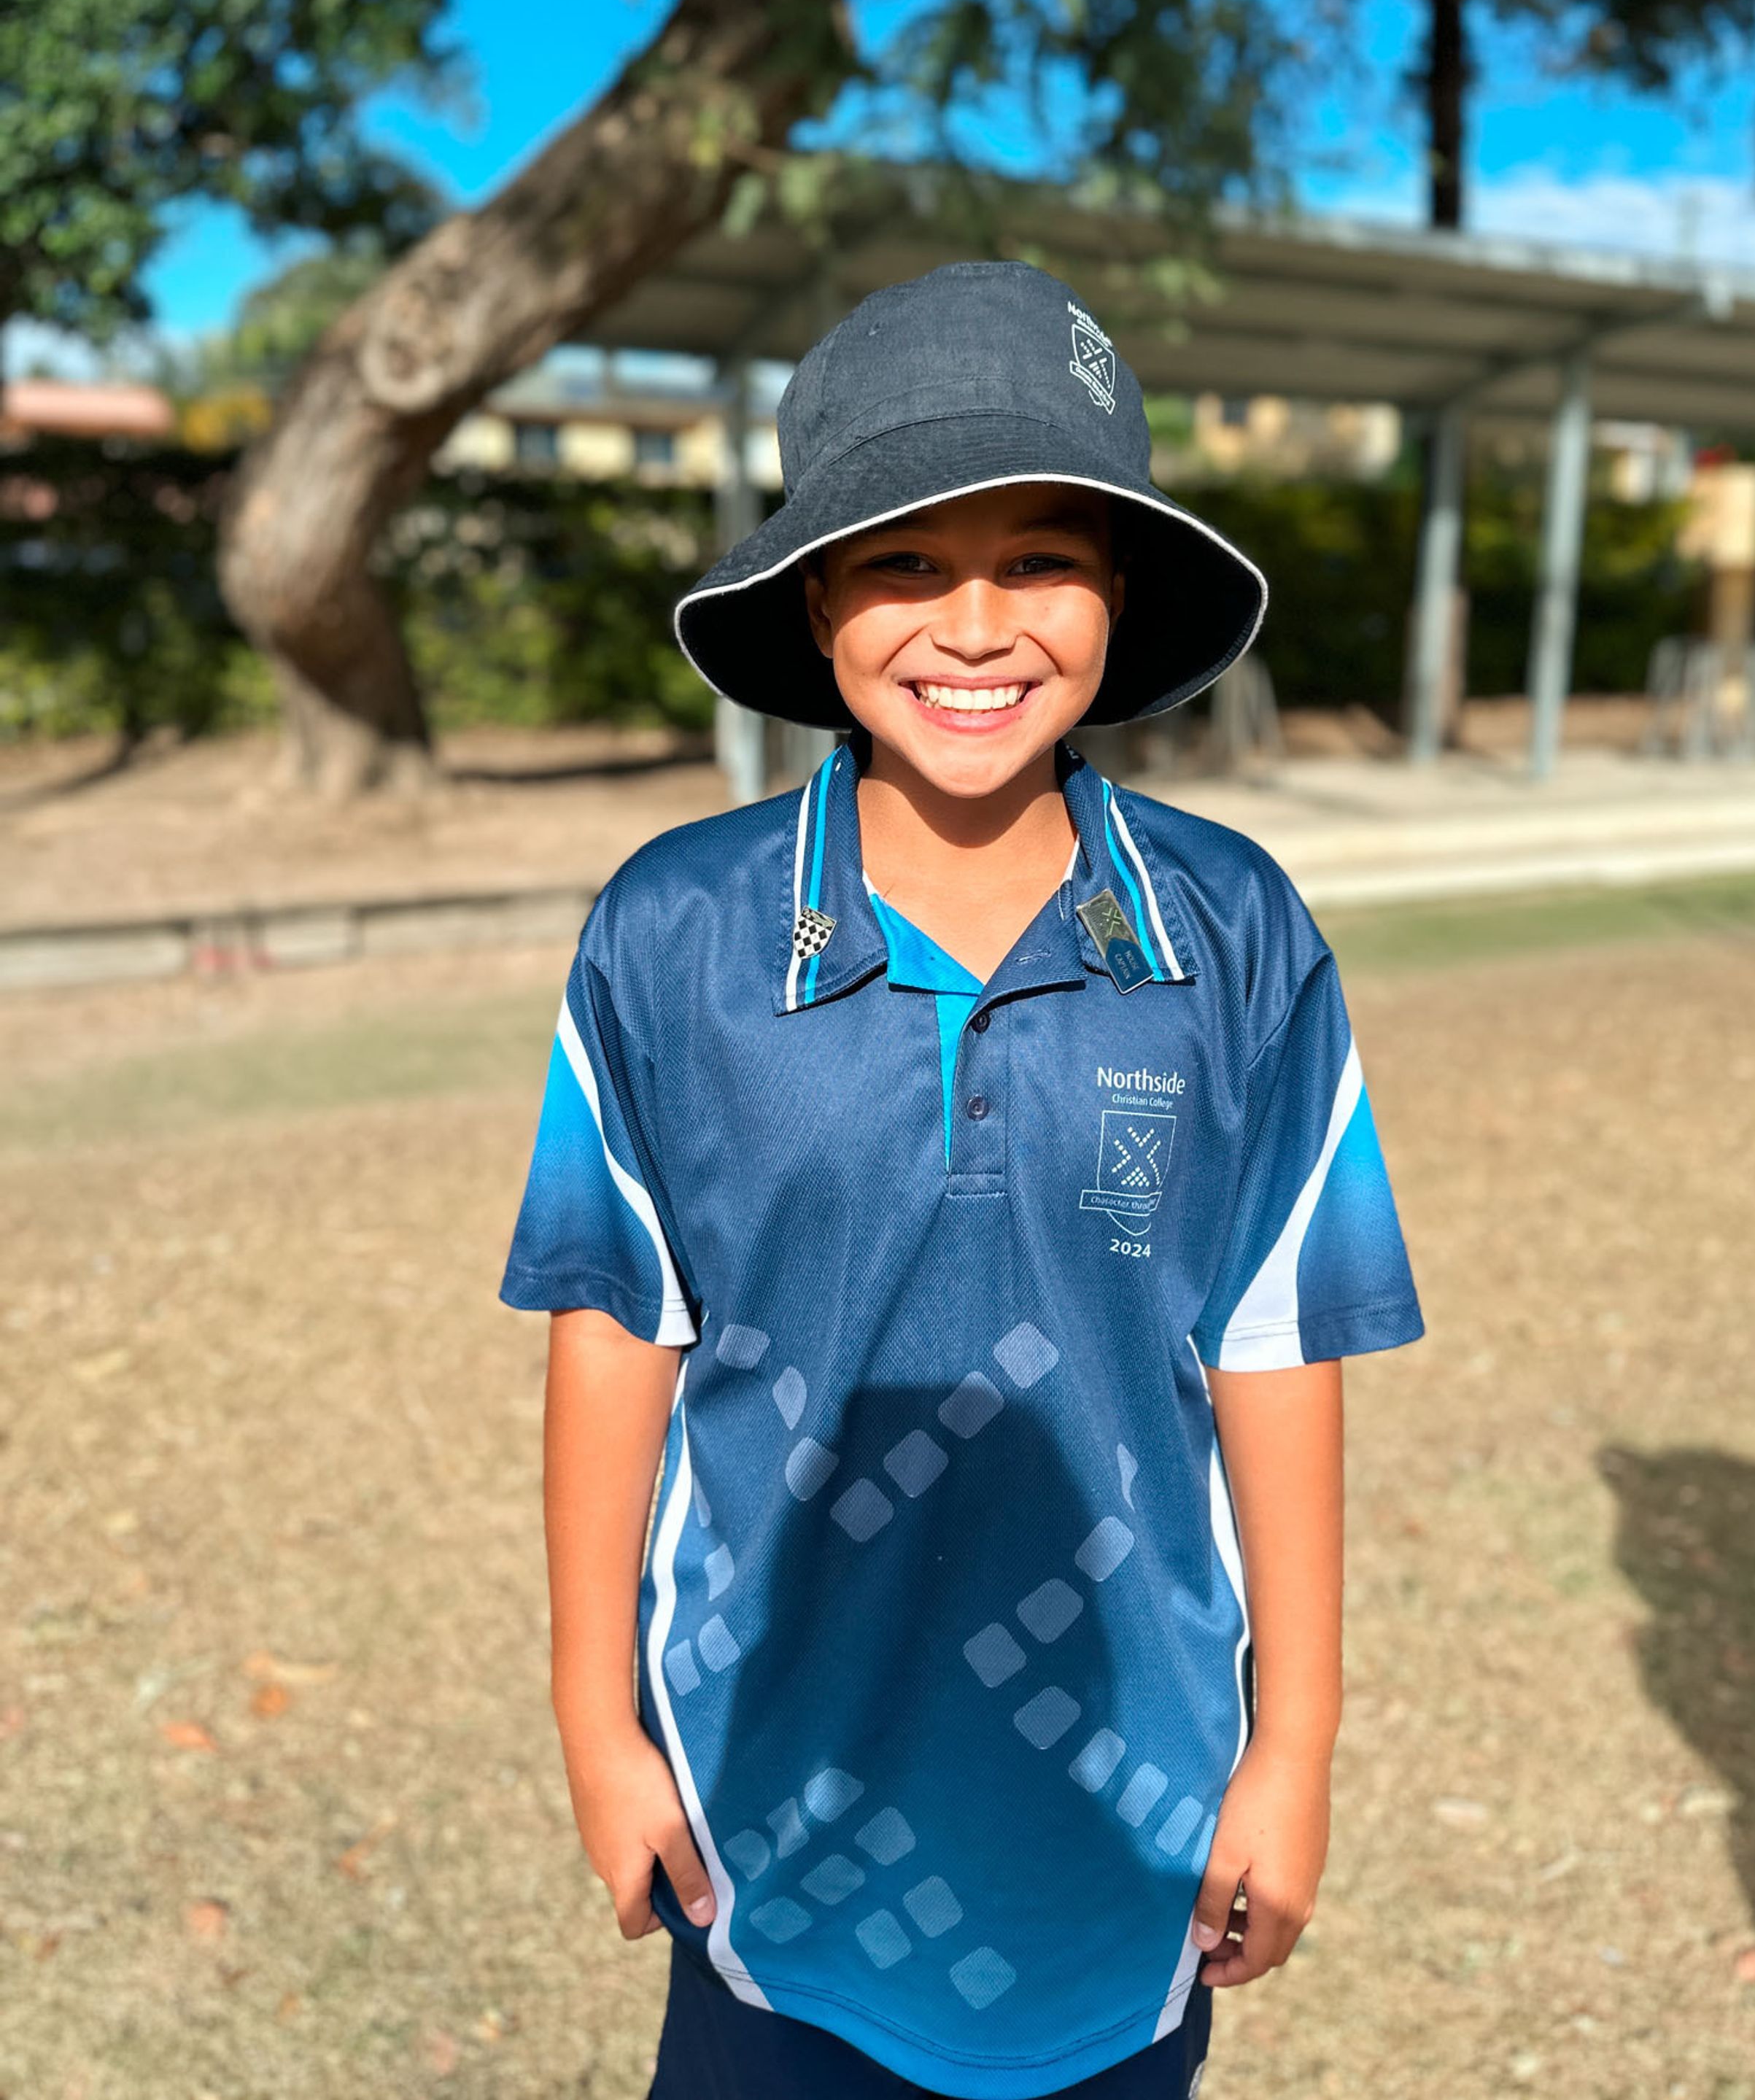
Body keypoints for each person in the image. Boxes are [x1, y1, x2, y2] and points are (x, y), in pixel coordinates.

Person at [499, 261, 1424, 2100]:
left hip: (1128, 1799)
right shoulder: (674, 932)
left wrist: (1294, 1745)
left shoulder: (1233, 931)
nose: (975, 625)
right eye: (905, 561)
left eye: (1040, 558)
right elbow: (616, 1322)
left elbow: (1272, 1339)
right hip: (768, 1792)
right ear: (815, 599)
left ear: (1119, 590)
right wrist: (594, 1717)